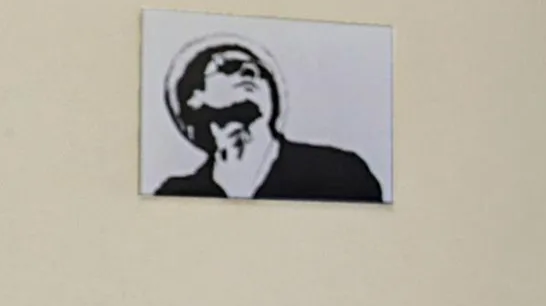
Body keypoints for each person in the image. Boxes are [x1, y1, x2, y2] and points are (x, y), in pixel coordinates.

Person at [151, 39, 383, 203]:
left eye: (259, 71)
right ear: (194, 98)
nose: (250, 71)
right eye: (229, 66)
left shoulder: (339, 172)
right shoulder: (177, 193)